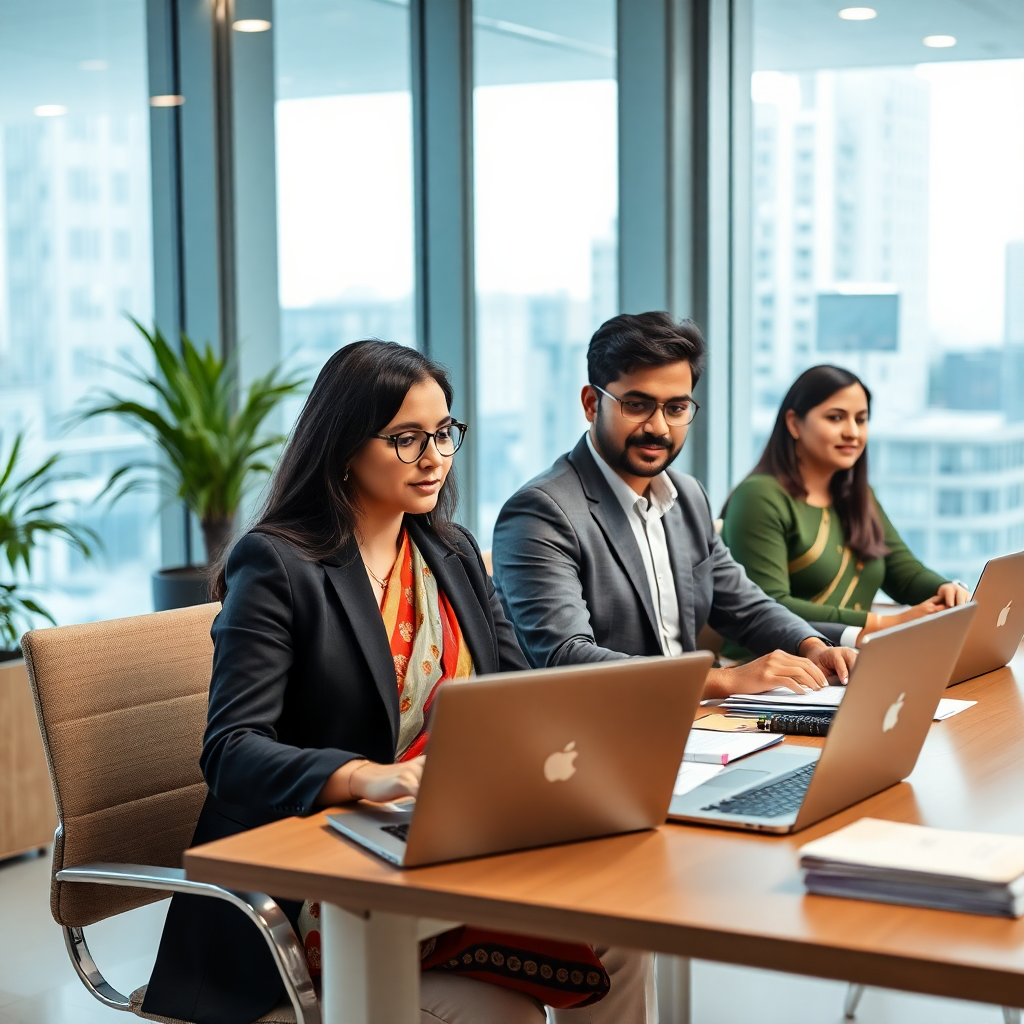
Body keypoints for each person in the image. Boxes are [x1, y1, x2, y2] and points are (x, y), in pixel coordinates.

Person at [141, 340, 653, 1024]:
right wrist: (360, 776)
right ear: (346, 446)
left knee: (622, 928)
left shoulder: (451, 551)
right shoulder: (276, 564)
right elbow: (231, 750)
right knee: (508, 1015)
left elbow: (518, 699)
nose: (435, 456)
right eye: (407, 439)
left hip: (441, 847)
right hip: (313, 892)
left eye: (444, 433)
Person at [492, 312, 856, 699]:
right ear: (591, 403)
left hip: (700, 724)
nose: (659, 428)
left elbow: (745, 604)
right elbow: (566, 658)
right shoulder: (540, 513)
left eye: (676, 408)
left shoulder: (687, 496)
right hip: (600, 730)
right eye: (636, 405)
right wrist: (726, 682)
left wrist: (811, 646)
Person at [720, 364, 969, 653]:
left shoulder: (858, 495)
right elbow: (770, 603)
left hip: (848, 667)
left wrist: (945, 591)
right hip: (769, 674)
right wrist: (885, 623)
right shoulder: (759, 496)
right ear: (794, 423)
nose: (853, 432)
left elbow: (904, 573)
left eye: (861, 420)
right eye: (836, 418)